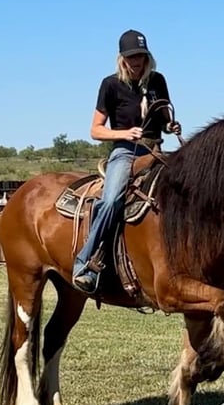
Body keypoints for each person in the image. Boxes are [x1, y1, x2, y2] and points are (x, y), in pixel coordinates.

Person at [72, 29, 182, 294]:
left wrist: (171, 126)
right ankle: (86, 262)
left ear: (147, 58)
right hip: (125, 152)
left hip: (156, 151)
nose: (136, 62)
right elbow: (95, 130)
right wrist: (124, 133)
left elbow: (163, 118)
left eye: (141, 57)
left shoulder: (158, 82)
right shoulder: (110, 85)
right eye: (131, 57)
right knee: (111, 200)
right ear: (122, 59)